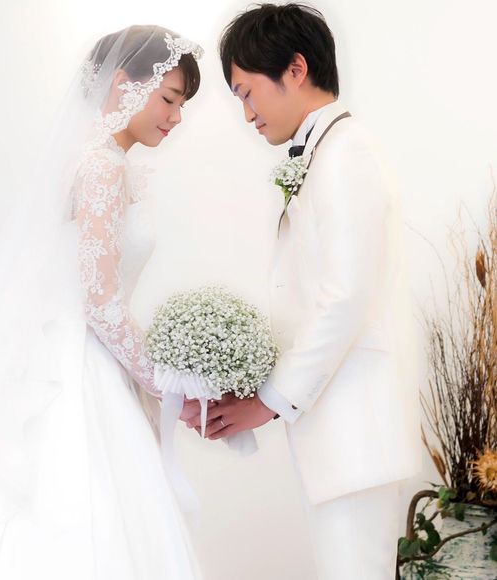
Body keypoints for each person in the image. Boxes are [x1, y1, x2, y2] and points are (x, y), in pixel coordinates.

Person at [0, 25, 204, 580]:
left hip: (87, 354)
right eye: (170, 98)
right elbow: (100, 302)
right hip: (79, 362)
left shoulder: (98, 160)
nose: (176, 117)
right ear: (122, 83)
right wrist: (165, 382)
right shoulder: (102, 166)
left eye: (183, 104)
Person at [186, 4, 421, 578]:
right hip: (339, 441)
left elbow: (345, 299)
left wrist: (268, 400)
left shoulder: (347, 152)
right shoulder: (326, 151)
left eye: (247, 93)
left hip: (356, 441)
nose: (247, 115)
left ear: (295, 69)